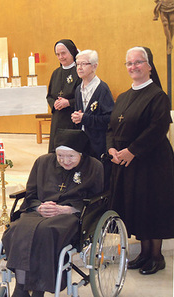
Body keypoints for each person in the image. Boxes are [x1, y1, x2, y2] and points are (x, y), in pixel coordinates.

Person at [2, 129, 103, 297]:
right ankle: (21, 287)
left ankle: (38, 289)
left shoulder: (93, 167)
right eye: (60, 156)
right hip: (38, 212)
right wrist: (38, 207)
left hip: (70, 216)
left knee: (46, 232)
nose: (65, 161)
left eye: (71, 156)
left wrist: (69, 209)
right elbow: (31, 194)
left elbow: (96, 199)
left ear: (81, 154)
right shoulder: (42, 162)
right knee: (16, 229)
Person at [107, 46, 174, 275]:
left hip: (152, 163)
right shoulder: (124, 96)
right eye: (129, 63)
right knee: (138, 208)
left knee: (152, 207)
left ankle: (156, 256)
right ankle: (144, 254)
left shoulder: (157, 96)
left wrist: (132, 150)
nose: (133, 67)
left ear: (149, 66)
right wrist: (112, 148)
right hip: (128, 163)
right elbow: (111, 126)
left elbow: (158, 128)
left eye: (138, 62)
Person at [71, 50, 114, 190]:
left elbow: (109, 119)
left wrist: (85, 118)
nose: (79, 67)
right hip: (84, 142)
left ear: (94, 66)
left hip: (98, 142)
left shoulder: (102, 89)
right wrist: (77, 118)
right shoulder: (78, 89)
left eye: (84, 64)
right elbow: (81, 115)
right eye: (77, 64)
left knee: (100, 180)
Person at [46, 39, 81, 153]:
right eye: (58, 54)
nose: (61, 57)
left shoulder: (79, 71)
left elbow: (84, 97)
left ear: (72, 52)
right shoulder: (56, 73)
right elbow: (49, 96)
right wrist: (54, 103)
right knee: (55, 151)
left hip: (72, 119)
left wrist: (68, 103)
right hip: (57, 119)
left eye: (63, 53)